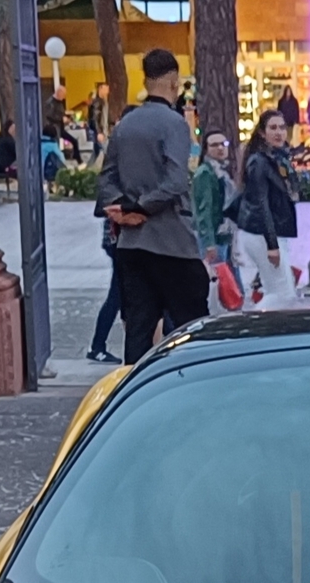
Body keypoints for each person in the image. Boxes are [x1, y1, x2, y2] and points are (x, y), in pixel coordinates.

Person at [94, 48, 209, 362]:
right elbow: (175, 182)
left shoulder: (125, 125)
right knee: (193, 329)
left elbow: (105, 180)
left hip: (132, 246)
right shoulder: (174, 124)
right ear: (173, 81)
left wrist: (124, 209)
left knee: (138, 330)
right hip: (172, 243)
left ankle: (134, 395)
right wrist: (140, 208)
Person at [234, 110, 301, 310]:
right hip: (262, 234)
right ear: (262, 133)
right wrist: (272, 244)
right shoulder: (260, 162)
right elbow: (262, 204)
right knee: (283, 294)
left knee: (283, 291)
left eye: (282, 127)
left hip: (268, 233)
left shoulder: (277, 159)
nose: (279, 132)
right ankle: (253, 329)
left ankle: (269, 331)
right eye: (273, 128)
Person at [190, 130, 236, 301]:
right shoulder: (206, 173)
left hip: (224, 235)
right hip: (214, 237)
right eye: (214, 145)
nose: (220, 148)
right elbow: (204, 211)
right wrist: (209, 242)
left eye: (223, 144)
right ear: (206, 149)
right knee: (218, 287)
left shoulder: (221, 171)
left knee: (228, 285)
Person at [87, 211, 122, 363]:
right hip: (120, 242)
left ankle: (98, 347)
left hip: (117, 241)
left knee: (116, 297)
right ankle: (97, 348)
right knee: (116, 297)